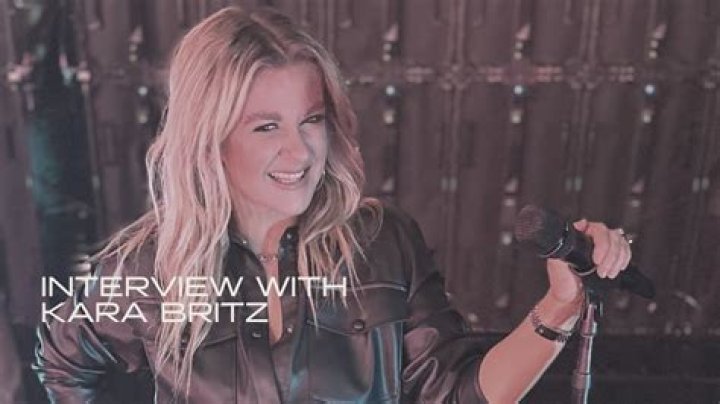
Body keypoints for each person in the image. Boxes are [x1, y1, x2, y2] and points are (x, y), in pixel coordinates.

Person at [33, 6, 631, 404]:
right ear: (209, 137)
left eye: (312, 120)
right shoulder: (147, 267)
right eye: (266, 126)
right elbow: (63, 366)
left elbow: (455, 393)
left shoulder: (383, 240)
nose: (299, 151)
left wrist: (562, 302)